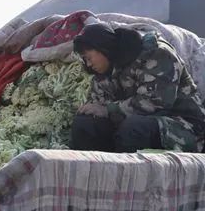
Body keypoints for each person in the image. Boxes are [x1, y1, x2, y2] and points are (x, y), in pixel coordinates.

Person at [71, 23, 205, 153]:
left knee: (133, 128)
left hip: (185, 127)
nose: (88, 64)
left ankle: (127, 174)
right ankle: (94, 173)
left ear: (103, 48)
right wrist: (92, 111)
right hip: (129, 125)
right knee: (85, 125)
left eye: (89, 58)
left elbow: (154, 103)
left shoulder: (156, 54)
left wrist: (108, 110)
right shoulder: (103, 71)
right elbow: (99, 105)